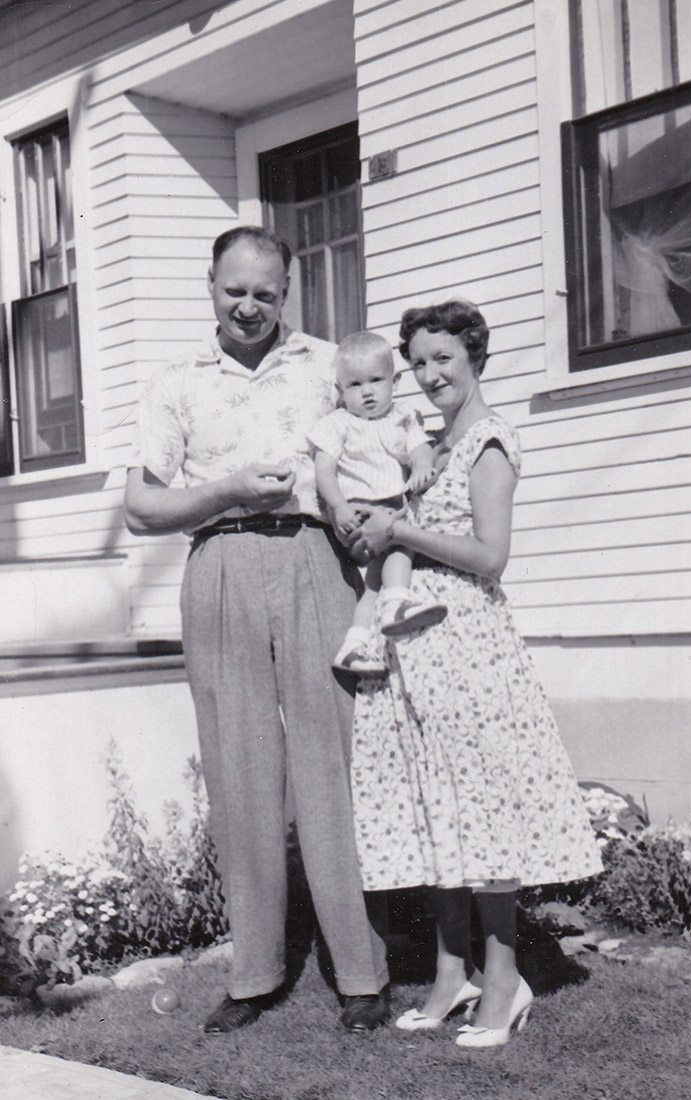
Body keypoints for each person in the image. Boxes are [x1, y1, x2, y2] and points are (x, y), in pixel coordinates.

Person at [124, 226, 389, 1035]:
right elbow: (141, 507)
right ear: (210, 286)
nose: (249, 307)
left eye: (265, 294)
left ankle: (362, 972)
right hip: (222, 565)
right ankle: (255, 974)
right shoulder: (175, 383)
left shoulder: (322, 364)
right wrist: (230, 490)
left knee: (331, 760)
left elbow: (379, 444)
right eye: (235, 290)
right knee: (240, 767)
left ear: (287, 294)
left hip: (316, 561)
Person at [347, 300, 603, 1049]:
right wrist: (378, 531)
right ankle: (449, 971)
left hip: (469, 646)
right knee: (436, 810)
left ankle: (504, 977)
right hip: (416, 649)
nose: (428, 377)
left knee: (483, 813)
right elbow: (405, 539)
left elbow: (491, 555)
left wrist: (401, 529)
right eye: (417, 364)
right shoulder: (427, 444)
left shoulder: (489, 442)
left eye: (442, 361)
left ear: (475, 359)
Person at [309, 330, 446, 675]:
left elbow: (419, 446)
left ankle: (354, 645)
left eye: (375, 381)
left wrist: (423, 464)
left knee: (374, 579)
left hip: (388, 503)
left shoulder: (402, 416)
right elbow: (323, 472)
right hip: (357, 509)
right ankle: (398, 604)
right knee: (400, 544)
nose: (367, 392)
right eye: (354, 385)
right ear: (340, 391)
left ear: (395, 382)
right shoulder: (338, 424)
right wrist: (338, 506)